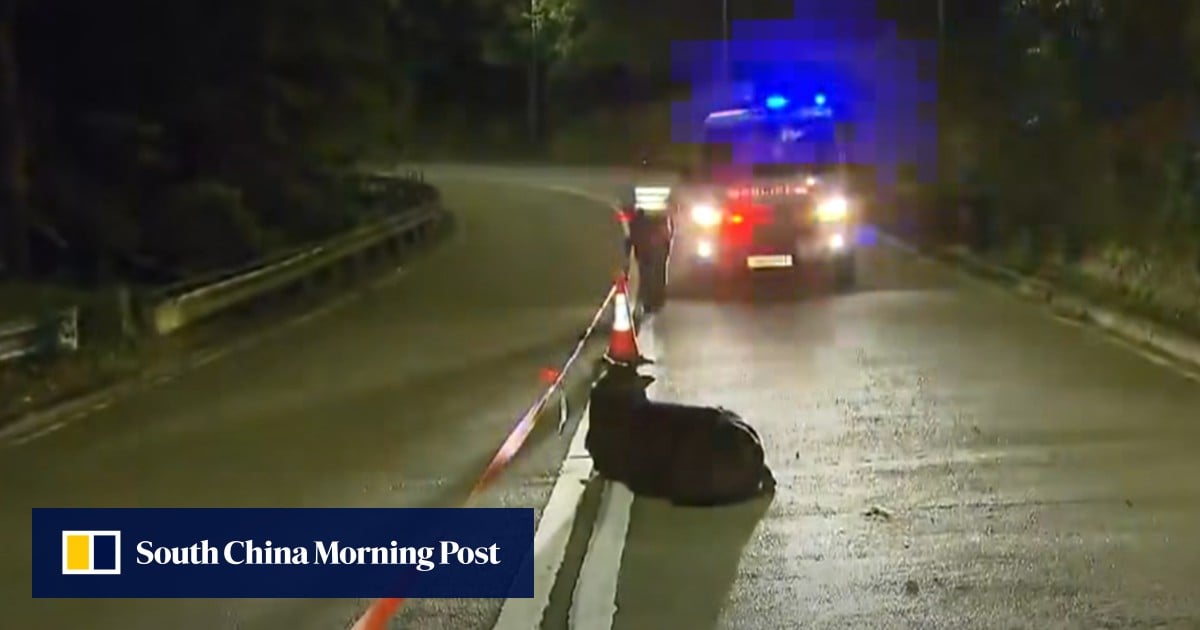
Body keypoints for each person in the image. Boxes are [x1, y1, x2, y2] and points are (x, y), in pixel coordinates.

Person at [626, 207, 671, 312]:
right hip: (648, 228)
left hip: (641, 226)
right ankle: (652, 301)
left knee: (647, 271)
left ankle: (649, 301)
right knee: (654, 270)